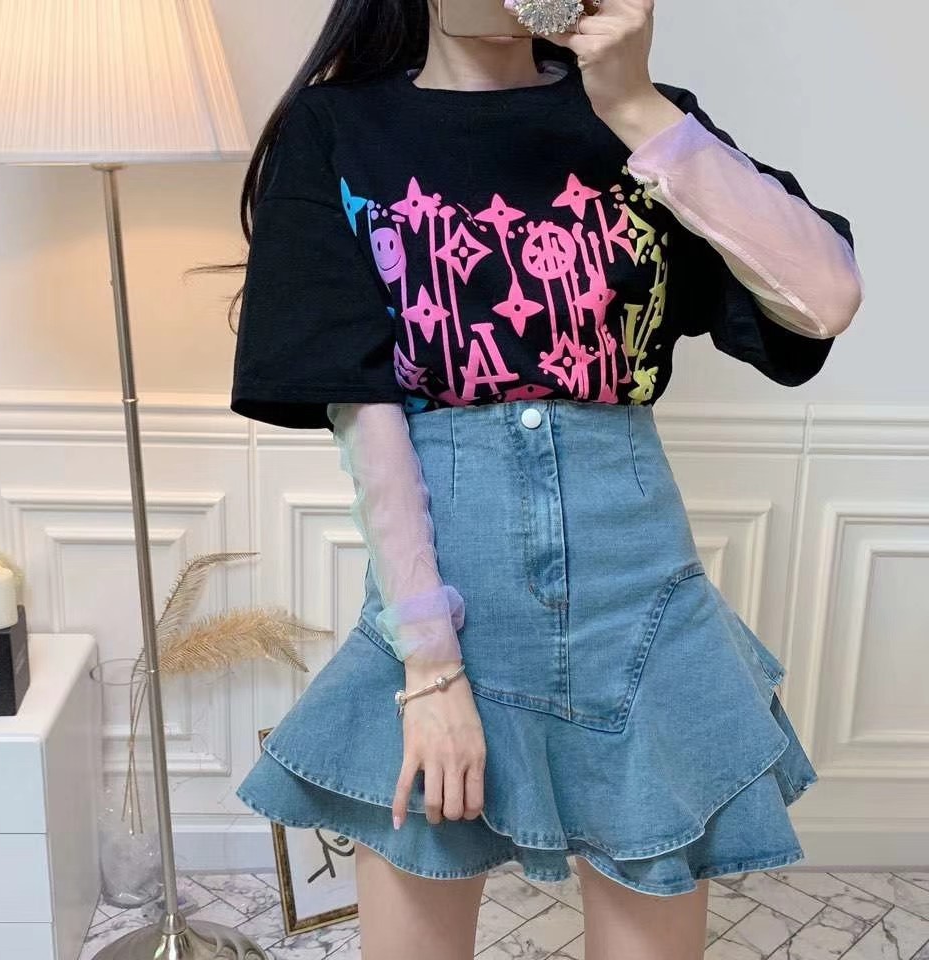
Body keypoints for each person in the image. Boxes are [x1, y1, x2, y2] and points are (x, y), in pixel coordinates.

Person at [228, 1, 864, 957]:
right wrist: (429, 668)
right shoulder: (338, 128)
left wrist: (635, 103)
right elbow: (364, 414)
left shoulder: (644, 117)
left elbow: (826, 298)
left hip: (640, 599)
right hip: (448, 599)